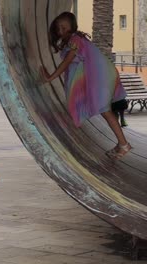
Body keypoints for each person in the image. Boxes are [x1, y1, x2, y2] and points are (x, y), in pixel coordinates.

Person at [40, 12, 131, 160]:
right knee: (104, 111)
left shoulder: (75, 40)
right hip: (100, 77)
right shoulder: (74, 39)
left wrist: (50, 77)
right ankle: (121, 143)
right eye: (58, 28)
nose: (61, 31)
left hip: (101, 78)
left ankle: (124, 144)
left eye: (64, 27)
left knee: (105, 111)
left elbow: (67, 62)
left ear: (72, 26)